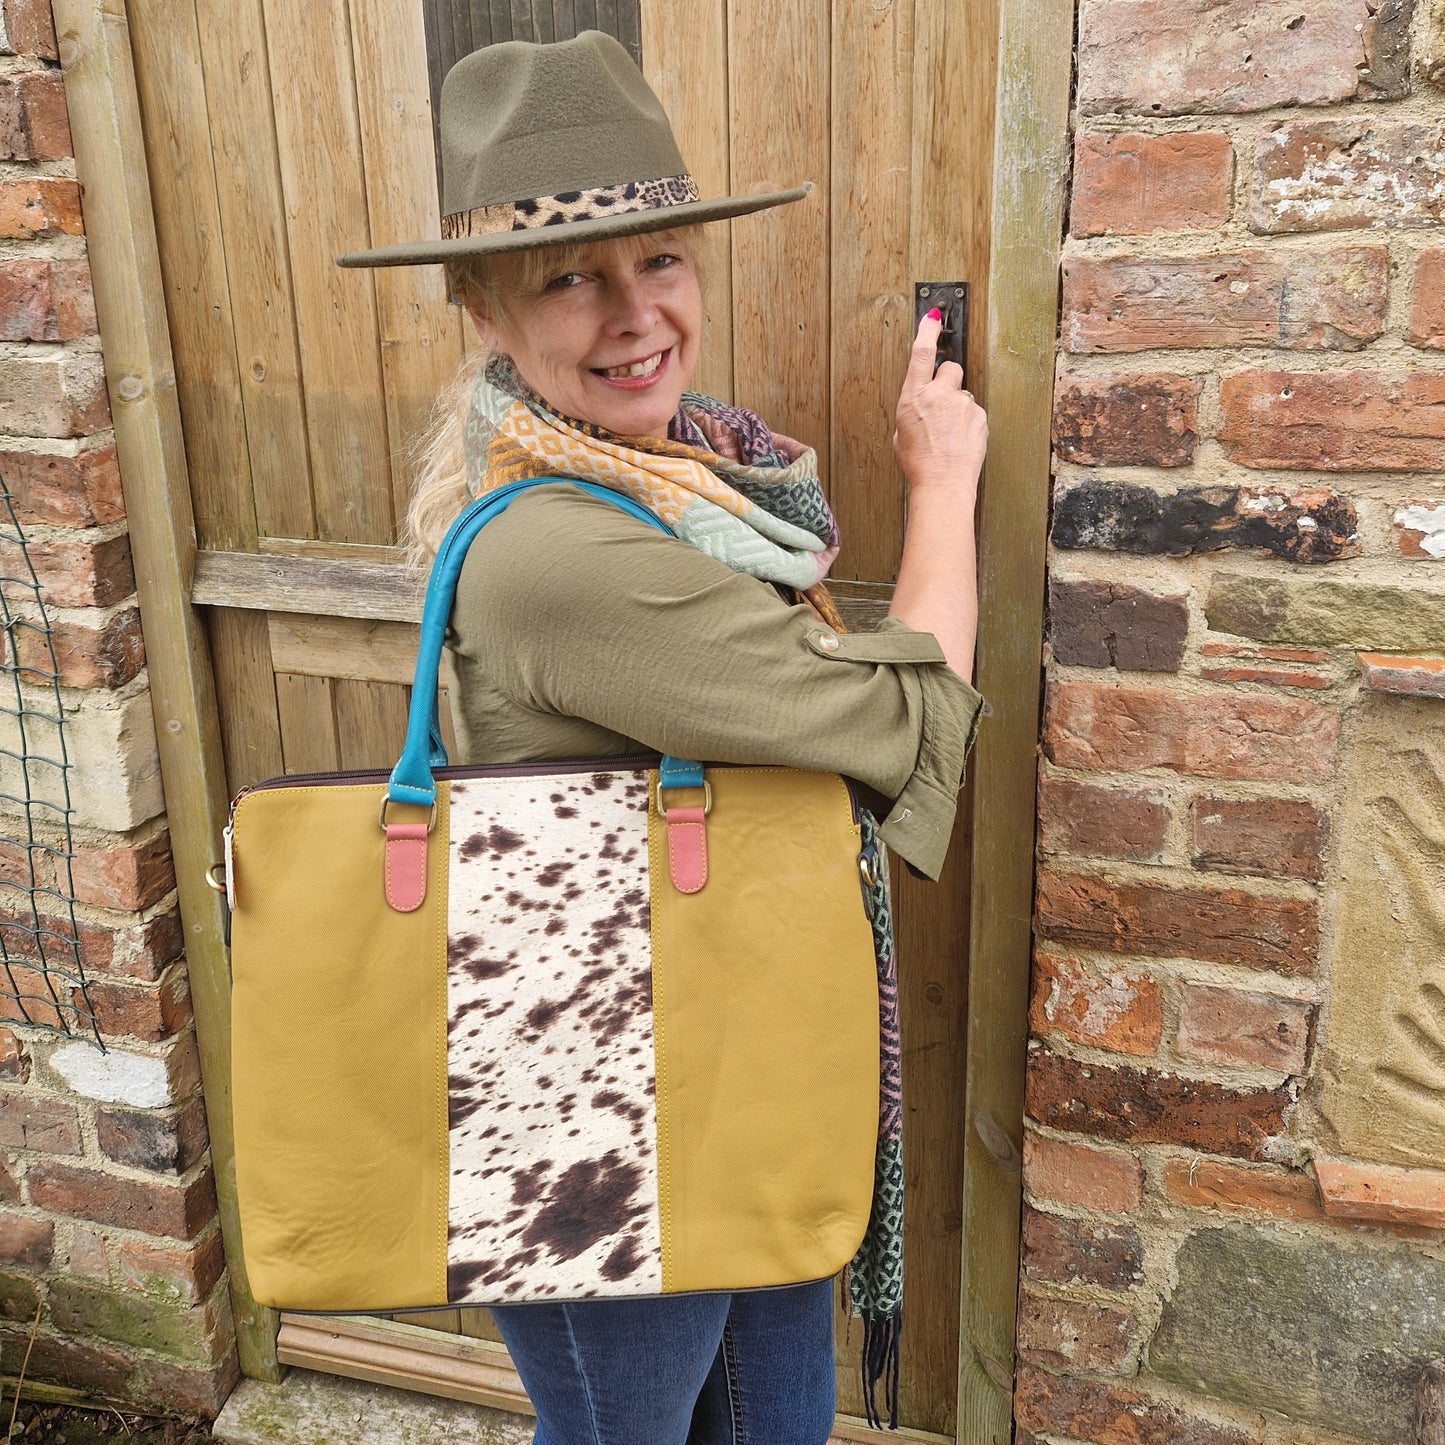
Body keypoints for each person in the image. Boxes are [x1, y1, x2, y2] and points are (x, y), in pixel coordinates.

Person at [338, 31, 985, 1445]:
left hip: (727, 1061)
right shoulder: (568, 552)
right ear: (483, 308)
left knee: (769, 1430)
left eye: (659, 261)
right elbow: (901, 718)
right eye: (569, 275)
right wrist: (943, 487)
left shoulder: (679, 483)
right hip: (597, 1106)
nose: (633, 313)